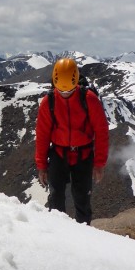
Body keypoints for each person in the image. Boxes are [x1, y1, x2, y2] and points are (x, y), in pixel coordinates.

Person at [35, 57, 109, 224]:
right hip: (59, 153)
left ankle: (82, 234)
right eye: (61, 91)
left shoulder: (89, 99)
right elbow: (42, 134)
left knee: (82, 200)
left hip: (83, 155)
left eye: (69, 90)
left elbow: (102, 131)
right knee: (56, 200)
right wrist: (42, 165)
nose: (65, 93)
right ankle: (58, 232)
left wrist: (99, 164)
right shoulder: (49, 101)